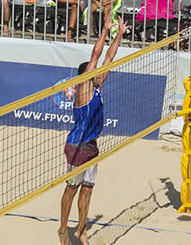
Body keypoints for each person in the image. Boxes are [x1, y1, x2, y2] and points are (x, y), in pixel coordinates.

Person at [57, 14, 129, 245]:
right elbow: (97, 55)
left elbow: (109, 57)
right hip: (77, 146)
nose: (100, 72)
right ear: (86, 75)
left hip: (92, 146)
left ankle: (82, 230)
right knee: (71, 190)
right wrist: (105, 30)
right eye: (95, 71)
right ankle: (62, 230)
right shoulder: (83, 88)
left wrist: (119, 33)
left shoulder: (97, 87)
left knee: (87, 190)